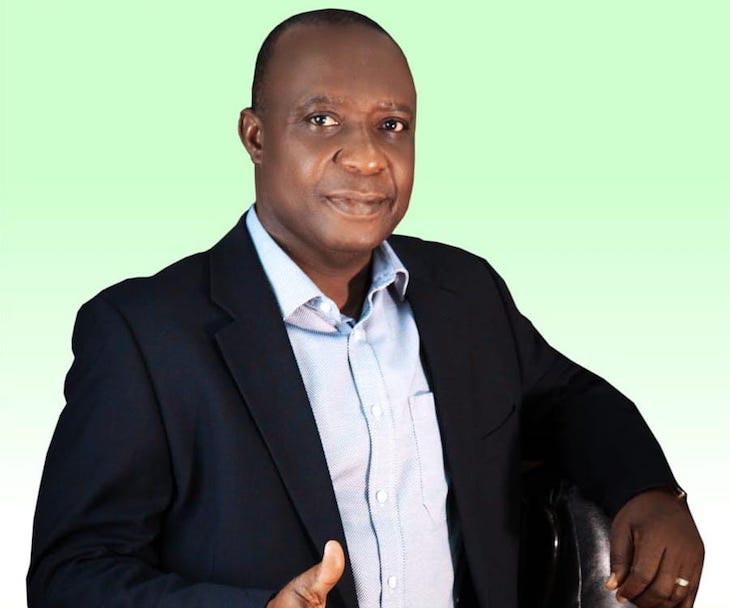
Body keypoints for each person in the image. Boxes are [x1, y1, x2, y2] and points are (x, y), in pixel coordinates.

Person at [28, 9, 704, 608]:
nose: (367, 157)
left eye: (392, 126)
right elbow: (72, 577)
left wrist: (650, 490)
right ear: (256, 137)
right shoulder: (145, 335)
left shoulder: (463, 293)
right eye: (321, 120)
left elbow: (567, 397)